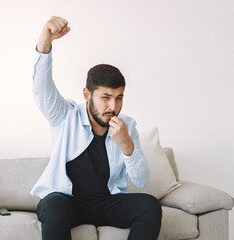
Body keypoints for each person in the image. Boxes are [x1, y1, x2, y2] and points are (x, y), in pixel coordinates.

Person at [31, 16, 162, 240]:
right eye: (106, 97)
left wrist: (127, 145)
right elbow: (42, 90)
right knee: (53, 206)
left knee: (149, 206)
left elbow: (141, 180)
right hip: (66, 202)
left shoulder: (127, 126)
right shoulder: (65, 116)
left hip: (106, 203)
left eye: (119, 98)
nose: (113, 106)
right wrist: (44, 45)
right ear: (87, 94)